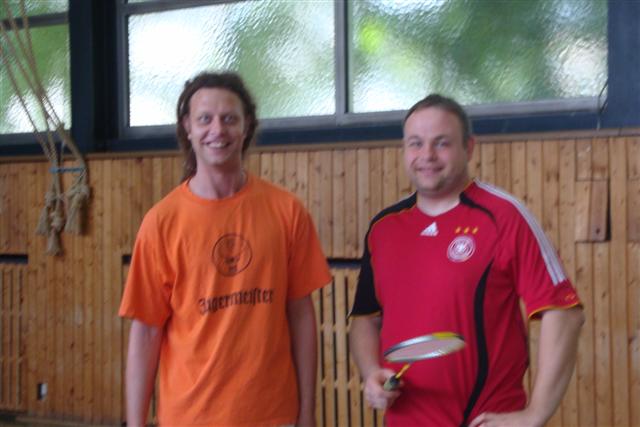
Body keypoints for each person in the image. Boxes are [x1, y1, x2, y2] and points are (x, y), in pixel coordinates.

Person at [349, 94, 584, 427]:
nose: (427, 155)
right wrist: (371, 372)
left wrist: (536, 414)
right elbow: (365, 319)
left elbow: (564, 312)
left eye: (441, 143)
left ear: (468, 148)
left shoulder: (504, 217)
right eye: (416, 143)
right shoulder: (383, 228)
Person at [119, 71, 331, 427]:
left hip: (273, 415)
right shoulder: (161, 223)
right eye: (205, 119)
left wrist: (307, 413)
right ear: (187, 127)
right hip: (189, 417)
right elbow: (146, 333)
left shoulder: (287, 211)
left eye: (229, 119)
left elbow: (301, 316)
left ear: (246, 126)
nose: (218, 129)